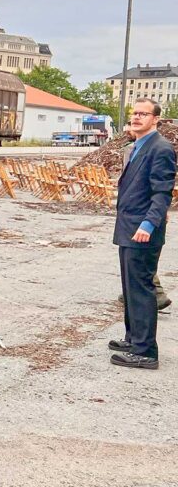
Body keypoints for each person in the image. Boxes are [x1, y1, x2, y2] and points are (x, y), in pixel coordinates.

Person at [110, 98, 176, 370]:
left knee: (141, 289)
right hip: (128, 226)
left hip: (142, 230)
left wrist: (148, 225)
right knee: (130, 287)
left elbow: (162, 193)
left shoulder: (160, 148)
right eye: (134, 113)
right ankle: (133, 338)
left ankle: (146, 351)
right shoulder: (137, 146)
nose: (136, 117)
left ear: (156, 119)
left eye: (143, 114)